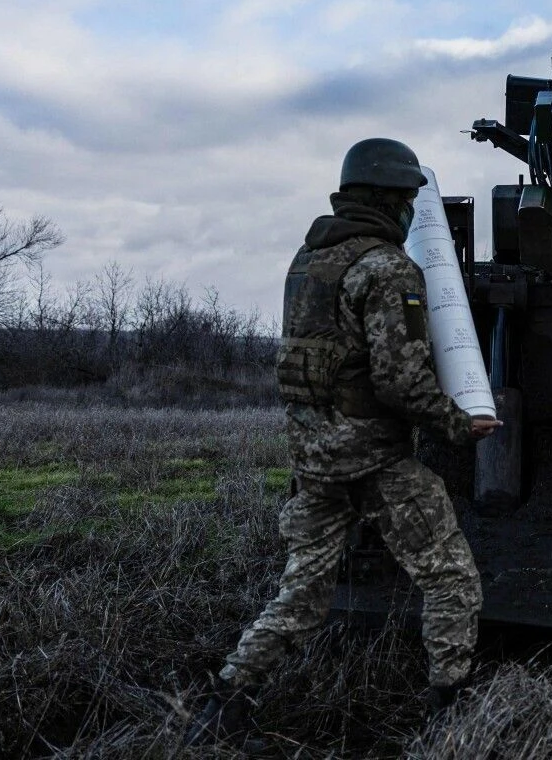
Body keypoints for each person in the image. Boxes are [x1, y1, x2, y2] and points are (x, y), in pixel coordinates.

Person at [184, 138, 501, 746]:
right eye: (408, 198)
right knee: (451, 577)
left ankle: (223, 703)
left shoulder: (308, 262)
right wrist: (461, 426)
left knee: (301, 594)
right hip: (375, 460)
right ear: (388, 199)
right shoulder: (388, 268)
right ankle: (450, 713)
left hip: (315, 460)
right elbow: (399, 379)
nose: (411, 209)